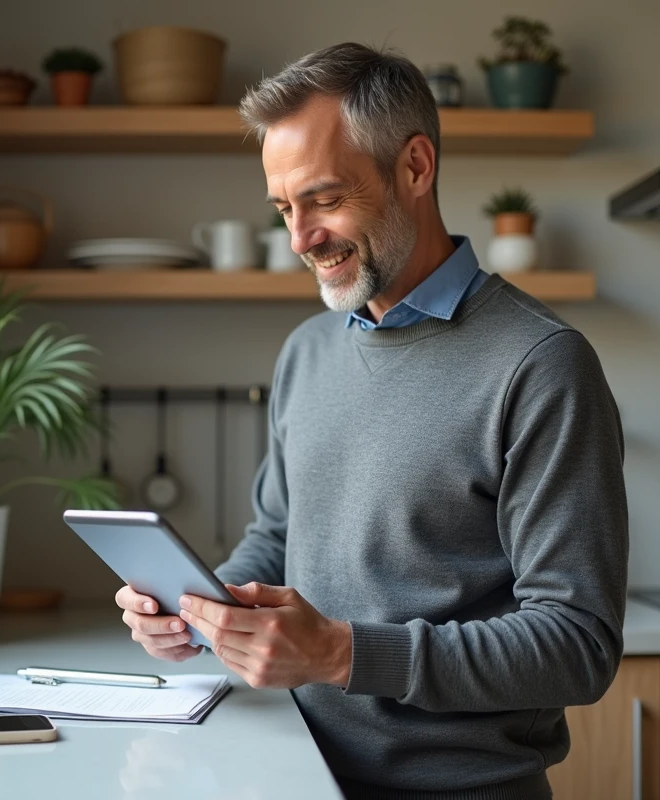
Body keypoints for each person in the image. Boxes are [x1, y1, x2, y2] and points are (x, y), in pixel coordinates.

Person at [115, 42, 628, 800]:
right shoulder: (308, 350)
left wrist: (339, 653)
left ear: (414, 167)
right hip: (296, 773)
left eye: (324, 199)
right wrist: (200, 607)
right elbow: (279, 536)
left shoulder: (541, 364)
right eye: (284, 209)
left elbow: (577, 645)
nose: (300, 238)